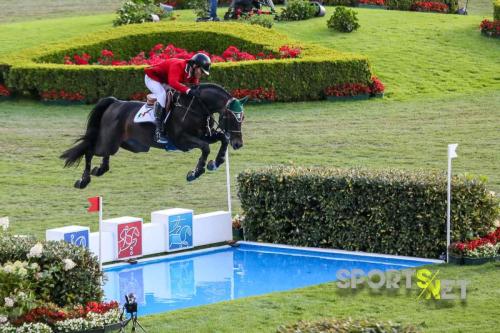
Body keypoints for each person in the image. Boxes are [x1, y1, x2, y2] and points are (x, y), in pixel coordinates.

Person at [144, 53, 211, 144]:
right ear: (195, 65)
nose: (202, 74)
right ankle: (158, 132)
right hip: (153, 79)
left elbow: (195, 87)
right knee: (162, 95)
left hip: (164, 81)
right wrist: (188, 90)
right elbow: (173, 83)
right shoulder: (178, 66)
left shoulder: (193, 73)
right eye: (202, 71)